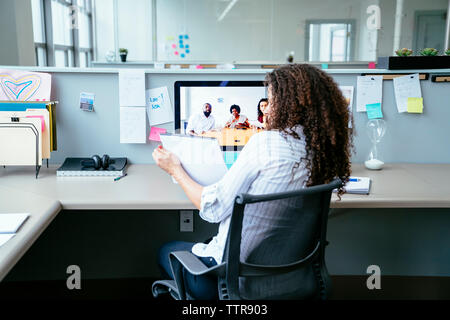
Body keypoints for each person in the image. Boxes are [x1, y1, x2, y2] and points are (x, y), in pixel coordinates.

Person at [152, 63, 352, 299]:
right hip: (295, 279)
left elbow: (213, 210)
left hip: (233, 286)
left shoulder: (265, 143)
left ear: (291, 105)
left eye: (271, 102)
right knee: (211, 240)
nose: (266, 111)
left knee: (166, 250)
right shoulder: (324, 152)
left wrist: (175, 169)